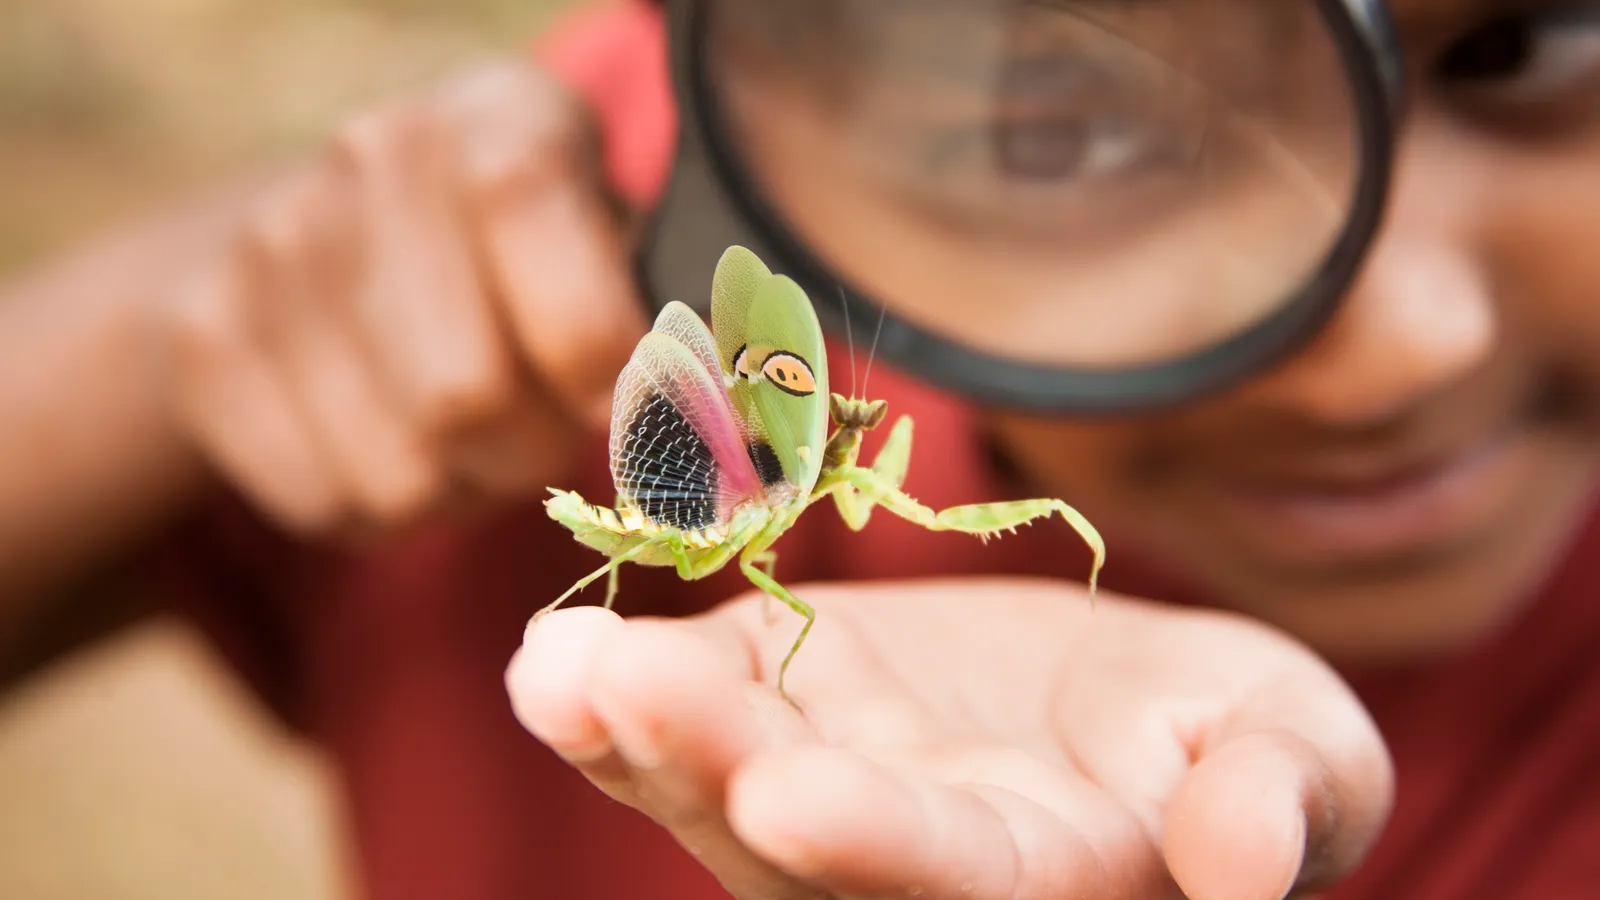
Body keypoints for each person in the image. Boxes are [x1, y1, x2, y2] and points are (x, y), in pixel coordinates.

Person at [1, 0, 1597, 898]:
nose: (1405, 346)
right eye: (1070, 123)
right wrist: (194, 327)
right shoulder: (605, 236)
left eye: (1536, 42)